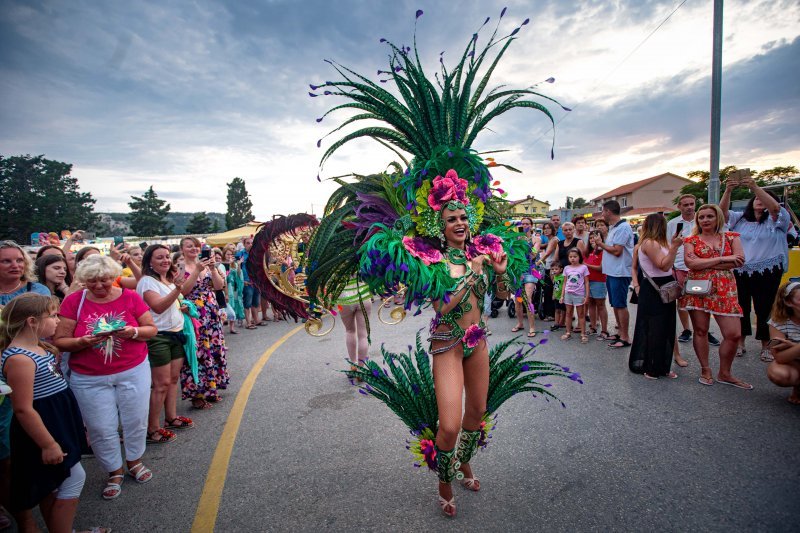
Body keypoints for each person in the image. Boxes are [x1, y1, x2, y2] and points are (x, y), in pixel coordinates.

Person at [53, 255, 158, 499]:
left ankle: (134, 461)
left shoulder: (130, 297)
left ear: (114, 278)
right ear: (83, 280)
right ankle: (114, 470)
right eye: (92, 282)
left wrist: (132, 331)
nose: (99, 286)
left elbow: (151, 329)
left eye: (104, 281)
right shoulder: (73, 301)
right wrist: (81, 341)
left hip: (132, 369)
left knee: (135, 419)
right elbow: (59, 341)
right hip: (89, 377)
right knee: (100, 426)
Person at [1, 294, 104, 533]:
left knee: (55, 485)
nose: (58, 321)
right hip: (45, 427)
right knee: (74, 477)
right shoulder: (20, 358)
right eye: (53, 316)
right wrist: (48, 444)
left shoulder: (37, 347)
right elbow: (23, 408)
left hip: (57, 421)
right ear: (31, 321)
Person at [428, 205, 507, 517]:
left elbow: (502, 295)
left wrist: (500, 273)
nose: (459, 223)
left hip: (478, 341)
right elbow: (442, 306)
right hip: (448, 345)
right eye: (451, 219)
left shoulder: (480, 255)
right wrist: (473, 272)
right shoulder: (435, 262)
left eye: (463, 218)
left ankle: (463, 462)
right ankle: (445, 483)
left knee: (477, 411)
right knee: (449, 425)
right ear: (441, 227)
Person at [720, 170, 791, 361]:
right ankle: (740, 342)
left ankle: (766, 344)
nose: (758, 201)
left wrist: (754, 187)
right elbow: (722, 214)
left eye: (763, 198)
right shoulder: (740, 219)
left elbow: (775, 208)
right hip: (741, 270)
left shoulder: (777, 221)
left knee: (765, 307)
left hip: (767, 270)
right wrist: (727, 191)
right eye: (755, 198)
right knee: (741, 306)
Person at [679, 204, 752, 389]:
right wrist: (722, 260)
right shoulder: (691, 240)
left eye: (709, 216)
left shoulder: (731, 237)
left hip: (725, 289)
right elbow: (691, 263)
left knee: (733, 334)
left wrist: (705, 263)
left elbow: (739, 260)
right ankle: (705, 369)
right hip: (699, 287)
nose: (705, 220)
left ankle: (725, 372)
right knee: (701, 330)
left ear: (717, 217)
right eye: (701, 217)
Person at [137, 245, 199, 444]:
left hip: (176, 334)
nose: (165, 260)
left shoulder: (167, 280)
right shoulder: (147, 282)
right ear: (149, 262)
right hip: (159, 337)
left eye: (166, 257)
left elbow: (176, 300)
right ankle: (152, 427)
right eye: (159, 258)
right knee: (160, 384)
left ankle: (171, 417)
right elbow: (159, 307)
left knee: (173, 380)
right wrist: (178, 289)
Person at [629, 214, 683, 379]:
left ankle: (661, 366)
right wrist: (674, 247)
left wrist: (672, 246)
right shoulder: (649, 243)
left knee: (666, 327)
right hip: (654, 287)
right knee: (655, 328)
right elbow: (663, 265)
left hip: (665, 285)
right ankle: (652, 367)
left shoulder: (660, 243)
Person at [179, 237, 228, 409]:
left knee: (212, 350)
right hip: (193, 314)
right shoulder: (180, 267)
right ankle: (197, 394)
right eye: (189, 246)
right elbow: (183, 290)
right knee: (197, 352)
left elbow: (219, 286)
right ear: (182, 249)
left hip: (211, 312)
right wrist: (196, 271)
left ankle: (211, 389)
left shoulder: (207, 265)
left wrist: (212, 268)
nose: (193, 249)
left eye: (196, 246)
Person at [598, 200, 635, 348]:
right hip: (612, 271)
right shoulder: (614, 228)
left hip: (620, 272)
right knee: (615, 303)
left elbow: (617, 251)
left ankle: (625, 337)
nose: (602, 214)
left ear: (608, 211)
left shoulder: (623, 228)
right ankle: (620, 333)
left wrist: (601, 245)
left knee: (620, 304)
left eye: (603, 211)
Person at [766, 281, 800, 404]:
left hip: (793, 357)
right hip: (794, 362)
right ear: (788, 302)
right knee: (778, 373)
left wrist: (793, 347)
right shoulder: (778, 321)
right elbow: (779, 357)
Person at [336, 276, 373, 372]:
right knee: (363, 335)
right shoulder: (364, 260)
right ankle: (361, 369)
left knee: (350, 331)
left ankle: (353, 364)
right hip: (363, 294)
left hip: (343, 296)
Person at [512, 217, 537, 337]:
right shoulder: (515, 239)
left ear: (531, 225)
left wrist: (524, 243)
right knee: (518, 300)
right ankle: (520, 323)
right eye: (523, 224)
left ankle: (532, 327)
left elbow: (533, 255)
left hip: (530, 272)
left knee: (527, 299)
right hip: (518, 272)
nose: (525, 225)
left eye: (527, 223)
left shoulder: (535, 239)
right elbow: (513, 255)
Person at [560, 249, 589, 343]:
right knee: (568, 313)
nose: (573, 259)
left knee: (581, 314)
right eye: (570, 257)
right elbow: (564, 282)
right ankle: (568, 332)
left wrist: (587, 296)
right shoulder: (566, 268)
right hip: (568, 293)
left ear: (579, 257)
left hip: (579, 294)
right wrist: (562, 295)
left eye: (575, 256)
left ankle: (583, 333)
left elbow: (587, 282)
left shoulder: (583, 268)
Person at [585, 230, 609, 339]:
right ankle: (593, 327)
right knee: (591, 304)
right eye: (590, 238)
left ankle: (604, 330)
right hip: (588, 282)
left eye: (595, 237)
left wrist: (585, 265)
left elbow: (601, 268)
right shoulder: (587, 252)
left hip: (599, 281)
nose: (592, 240)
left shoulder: (604, 252)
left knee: (601, 305)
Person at [238, 237, 261, 329]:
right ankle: (248, 322)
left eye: (252, 243)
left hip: (256, 282)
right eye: (248, 243)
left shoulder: (257, 254)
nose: (250, 245)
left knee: (255, 302)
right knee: (247, 302)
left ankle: (256, 320)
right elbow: (236, 269)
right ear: (244, 244)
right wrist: (242, 281)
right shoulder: (240, 254)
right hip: (247, 282)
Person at [537, 222, 559, 321]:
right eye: (544, 228)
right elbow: (540, 247)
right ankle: (549, 313)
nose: (546, 230)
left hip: (552, 269)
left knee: (550, 291)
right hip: (547, 267)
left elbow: (547, 254)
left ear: (552, 229)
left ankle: (551, 314)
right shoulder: (550, 240)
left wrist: (537, 263)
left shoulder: (554, 240)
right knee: (547, 291)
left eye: (548, 228)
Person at [223, 246, 245, 332]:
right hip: (226, 287)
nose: (229, 256)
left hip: (234, 287)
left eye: (231, 254)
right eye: (227, 254)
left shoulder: (234, 263)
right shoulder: (222, 264)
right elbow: (225, 276)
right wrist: (228, 264)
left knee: (235, 305)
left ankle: (232, 327)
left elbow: (239, 274)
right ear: (224, 254)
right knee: (228, 306)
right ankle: (225, 322)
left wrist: (239, 265)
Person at [550, 261, 566, 331]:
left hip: (562, 297)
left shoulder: (563, 277)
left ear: (561, 270)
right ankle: (556, 324)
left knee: (563, 310)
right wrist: (553, 294)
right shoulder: (554, 277)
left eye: (556, 269)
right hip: (556, 296)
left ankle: (561, 323)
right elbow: (555, 286)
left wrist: (563, 296)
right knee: (557, 310)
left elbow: (565, 286)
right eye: (553, 269)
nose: (554, 271)